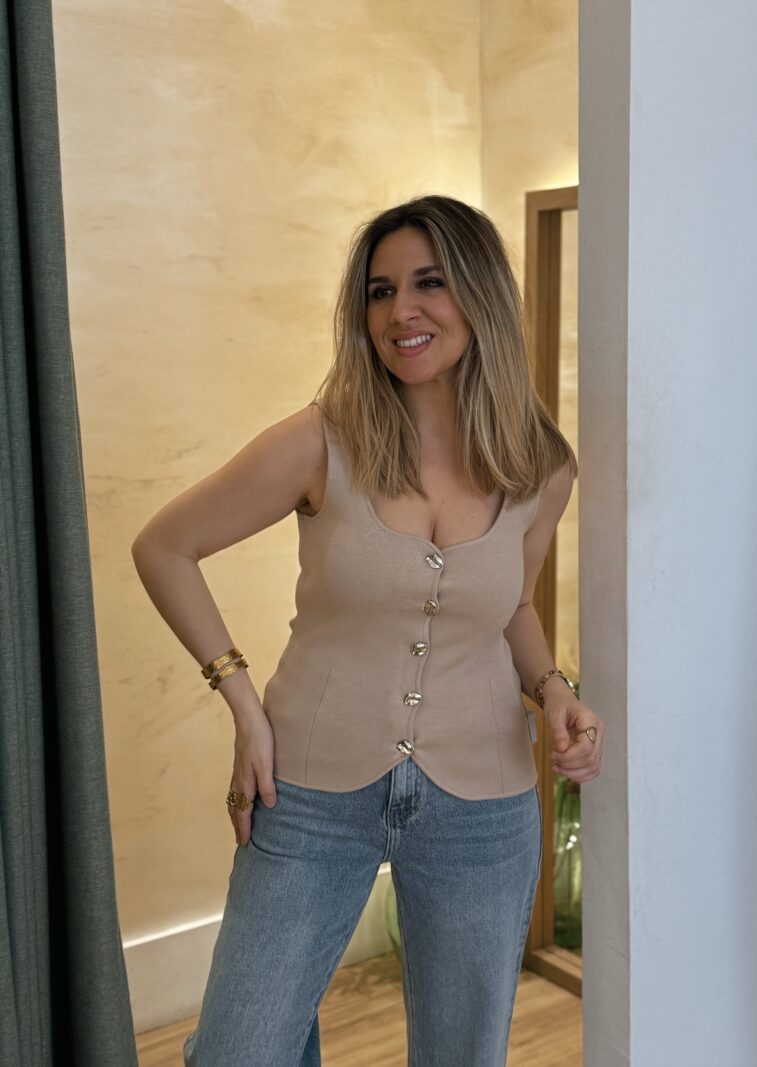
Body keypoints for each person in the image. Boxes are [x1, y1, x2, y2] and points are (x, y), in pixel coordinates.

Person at [131, 194, 605, 1067]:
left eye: (428, 283)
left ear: (480, 293)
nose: (400, 311)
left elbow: (512, 606)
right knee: (239, 1050)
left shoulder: (542, 465)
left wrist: (554, 690)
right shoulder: (323, 440)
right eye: (380, 291)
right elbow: (165, 546)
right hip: (309, 794)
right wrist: (242, 701)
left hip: (483, 805)